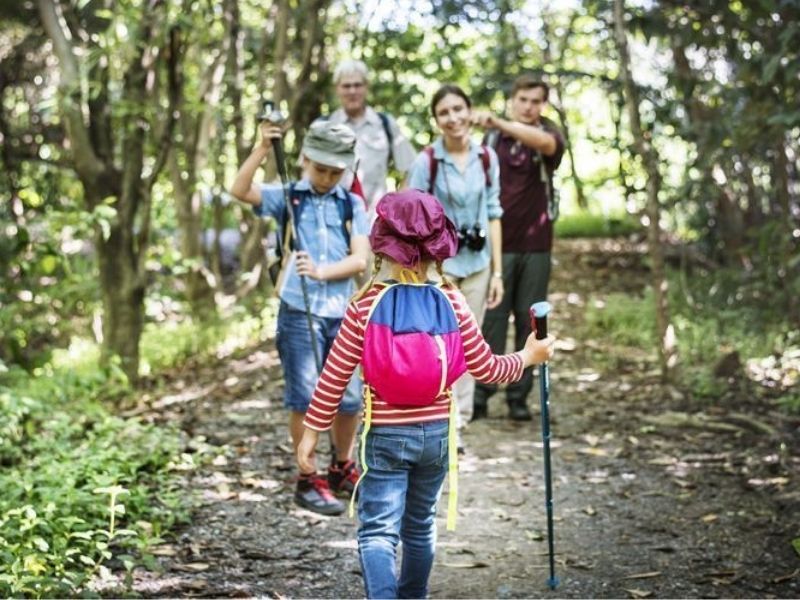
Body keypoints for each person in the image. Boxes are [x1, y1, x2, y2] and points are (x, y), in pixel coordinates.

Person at [296, 189, 556, 599]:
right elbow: (488, 368)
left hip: (384, 436)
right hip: (437, 437)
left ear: (382, 247)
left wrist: (311, 434)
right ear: (440, 248)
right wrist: (529, 354)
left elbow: (333, 376)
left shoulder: (363, 307)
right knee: (419, 526)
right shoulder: (452, 301)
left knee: (379, 531)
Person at [230, 120, 370, 515]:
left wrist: (322, 271)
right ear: (305, 159)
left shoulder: (351, 203)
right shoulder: (290, 196)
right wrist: (261, 148)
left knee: (349, 396)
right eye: (320, 168)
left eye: (335, 171)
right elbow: (239, 190)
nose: (327, 178)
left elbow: (360, 258)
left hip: (342, 313)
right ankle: (308, 477)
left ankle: (342, 465)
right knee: (306, 396)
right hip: (299, 311)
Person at [405, 83, 504, 439]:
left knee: (469, 342)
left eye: (458, 109)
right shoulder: (426, 162)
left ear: (469, 110)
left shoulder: (487, 158)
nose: (453, 118)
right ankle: (437, 419)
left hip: (478, 263)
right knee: (438, 342)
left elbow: (494, 213)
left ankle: (458, 423)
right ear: (436, 120)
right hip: (438, 267)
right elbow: (410, 216)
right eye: (444, 112)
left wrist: (498, 273)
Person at [471, 75, 565, 421]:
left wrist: (497, 120)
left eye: (535, 101)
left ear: (543, 104)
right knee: (492, 317)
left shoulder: (548, 132)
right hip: (497, 243)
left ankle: (519, 396)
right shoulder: (493, 138)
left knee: (531, 318)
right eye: (523, 100)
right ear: (513, 99)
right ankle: (482, 391)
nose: (529, 107)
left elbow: (547, 145)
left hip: (536, 243)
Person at [326, 59, 416, 216]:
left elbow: (413, 169)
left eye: (358, 85)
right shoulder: (324, 126)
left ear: (366, 87)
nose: (352, 91)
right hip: (332, 220)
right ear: (337, 89)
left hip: (375, 223)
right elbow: (307, 176)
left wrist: (397, 206)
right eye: (346, 86)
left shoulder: (385, 124)